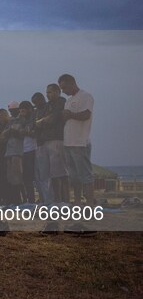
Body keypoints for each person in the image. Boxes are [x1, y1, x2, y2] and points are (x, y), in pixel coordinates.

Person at [58, 74, 95, 206]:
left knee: (85, 175)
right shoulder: (68, 100)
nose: (63, 91)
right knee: (74, 177)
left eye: (64, 87)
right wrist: (64, 116)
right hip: (68, 142)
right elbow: (66, 118)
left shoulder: (85, 96)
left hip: (80, 142)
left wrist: (70, 114)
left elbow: (86, 114)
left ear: (72, 83)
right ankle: (78, 202)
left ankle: (90, 203)